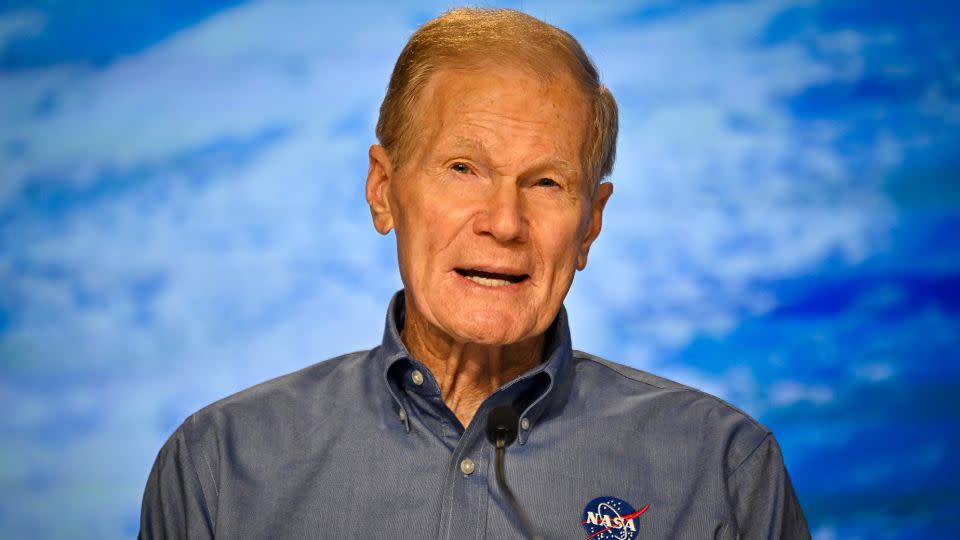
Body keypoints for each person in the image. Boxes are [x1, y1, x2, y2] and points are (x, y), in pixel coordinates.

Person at [140, 7, 810, 539]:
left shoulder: (722, 470)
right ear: (383, 190)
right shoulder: (219, 468)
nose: (505, 223)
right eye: (464, 169)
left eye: (546, 182)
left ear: (591, 224)